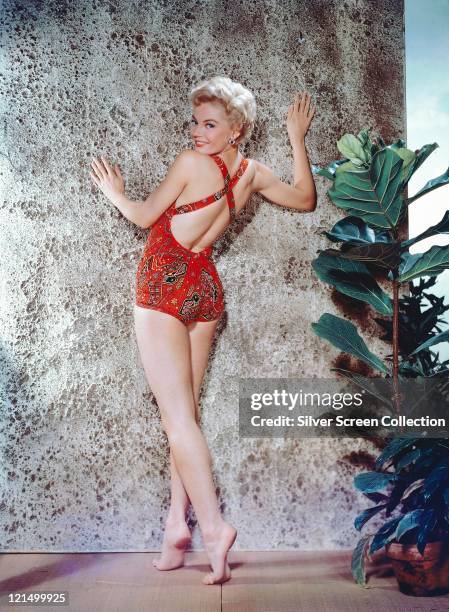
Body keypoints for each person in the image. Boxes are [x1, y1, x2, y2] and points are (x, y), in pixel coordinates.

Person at [89, 76, 316, 585]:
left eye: (210, 124)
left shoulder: (191, 165)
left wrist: (117, 195)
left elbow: (148, 217)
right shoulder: (253, 173)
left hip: (164, 284)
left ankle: (213, 528)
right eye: (195, 122)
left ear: (236, 129)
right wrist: (296, 140)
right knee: (186, 417)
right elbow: (304, 199)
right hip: (205, 289)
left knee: (178, 423)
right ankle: (176, 529)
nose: (197, 132)